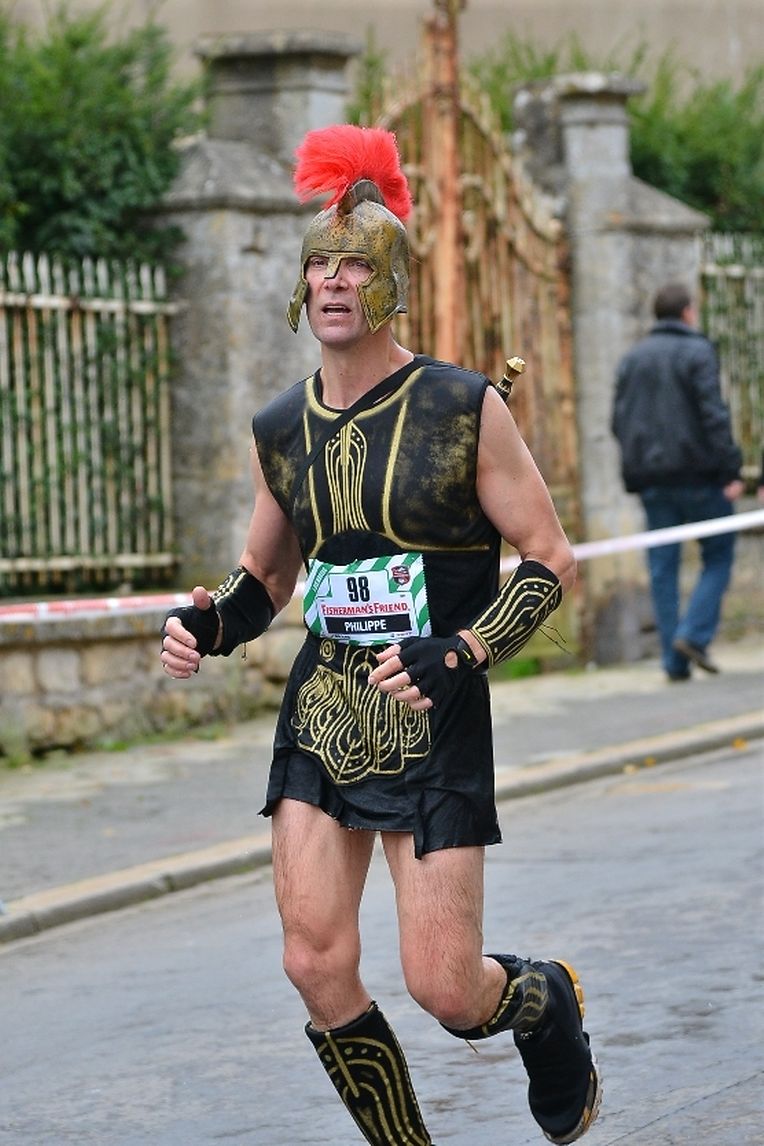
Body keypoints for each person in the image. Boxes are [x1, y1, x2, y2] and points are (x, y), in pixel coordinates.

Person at [161, 124, 600, 1145]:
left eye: (356, 264)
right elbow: (267, 578)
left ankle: (541, 1000)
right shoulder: (281, 427)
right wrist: (206, 623)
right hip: (324, 711)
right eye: (320, 264)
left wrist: (464, 650)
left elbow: (549, 559)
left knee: (446, 988)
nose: (334, 281)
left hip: (432, 712)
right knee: (313, 962)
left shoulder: (462, 407)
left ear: (391, 283)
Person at [612, 282, 744, 681]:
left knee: (662, 568)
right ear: (687, 312)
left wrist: (637, 468)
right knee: (718, 554)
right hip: (700, 476)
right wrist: (731, 470)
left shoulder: (632, 359)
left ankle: (674, 661)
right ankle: (693, 635)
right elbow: (714, 415)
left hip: (653, 481)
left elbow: (618, 421)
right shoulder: (697, 351)